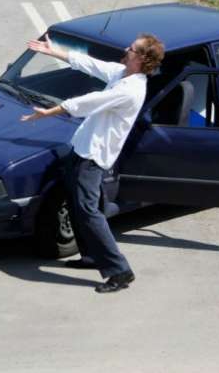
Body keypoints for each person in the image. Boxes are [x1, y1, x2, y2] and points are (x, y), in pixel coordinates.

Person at [21, 33, 165, 293]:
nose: (125, 48)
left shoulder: (130, 90)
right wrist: (53, 52)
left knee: (88, 212)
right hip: (83, 149)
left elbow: (90, 102)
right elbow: (90, 63)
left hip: (92, 157)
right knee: (83, 206)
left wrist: (51, 111)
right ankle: (90, 257)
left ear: (142, 58)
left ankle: (120, 271)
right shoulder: (122, 73)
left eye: (131, 48)